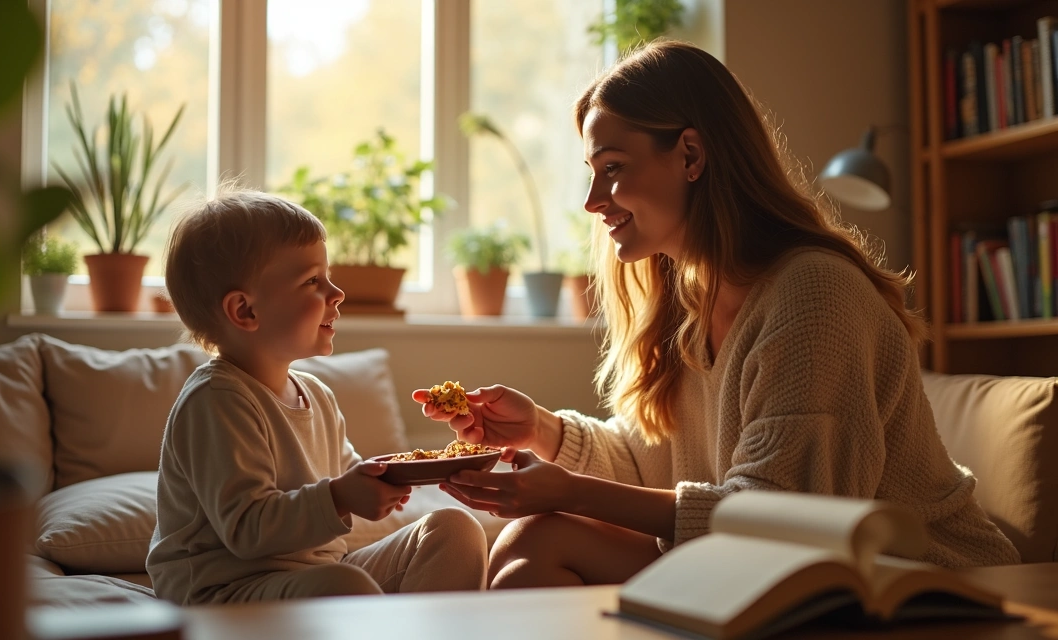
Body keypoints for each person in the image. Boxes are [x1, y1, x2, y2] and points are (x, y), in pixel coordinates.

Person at [415, 40, 1020, 589]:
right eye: (593, 174)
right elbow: (649, 460)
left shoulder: (814, 297)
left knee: (544, 534)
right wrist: (541, 430)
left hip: (920, 585)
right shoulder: (688, 300)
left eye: (613, 169)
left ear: (691, 155)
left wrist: (572, 492)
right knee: (534, 540)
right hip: (784, 570)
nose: (593, 202)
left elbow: (783, 516)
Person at [148, 190, 487, 605]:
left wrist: (434, 464)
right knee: (343, 589)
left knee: (453, 530)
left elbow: (348, 478)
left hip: (312, 578)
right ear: (245, 311)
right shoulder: (217, 399)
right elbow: (247, 529)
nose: (337, 293)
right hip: (223, 591)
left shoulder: (318, 395)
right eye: (313, 281)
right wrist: (342, 496)